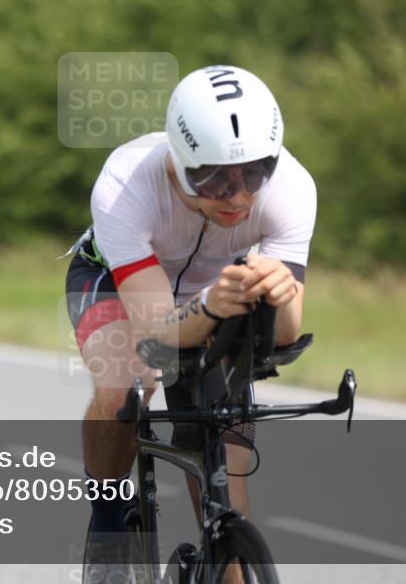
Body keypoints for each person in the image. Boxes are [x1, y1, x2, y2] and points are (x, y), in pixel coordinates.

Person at [65, 65, 316, 582]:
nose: (239, 196)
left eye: (253, 173)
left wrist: (279, 289)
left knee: (225, 474)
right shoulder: (125, 183)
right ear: (178, 164)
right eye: (215, 178)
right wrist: (211, 304)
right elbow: (157, 331)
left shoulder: (291, 186)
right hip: (118, 281)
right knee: (124, 386)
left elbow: (287, 332)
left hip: (218, 290)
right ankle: (109, 526)